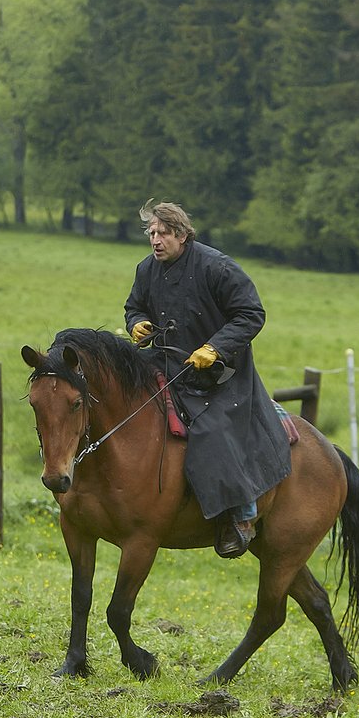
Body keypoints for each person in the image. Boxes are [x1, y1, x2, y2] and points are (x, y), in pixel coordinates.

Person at [124, 199, 291, 558]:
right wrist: (135, 323)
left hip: (220, 375)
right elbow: (133, 306)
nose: (155, 239)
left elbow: (251, 314)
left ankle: (241, 515)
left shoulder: (217, 267)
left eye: (163, 233)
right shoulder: (146, 270)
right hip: (163, 365)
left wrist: (214, 348)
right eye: (151, 233)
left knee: (212, 428)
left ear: (182, 235)